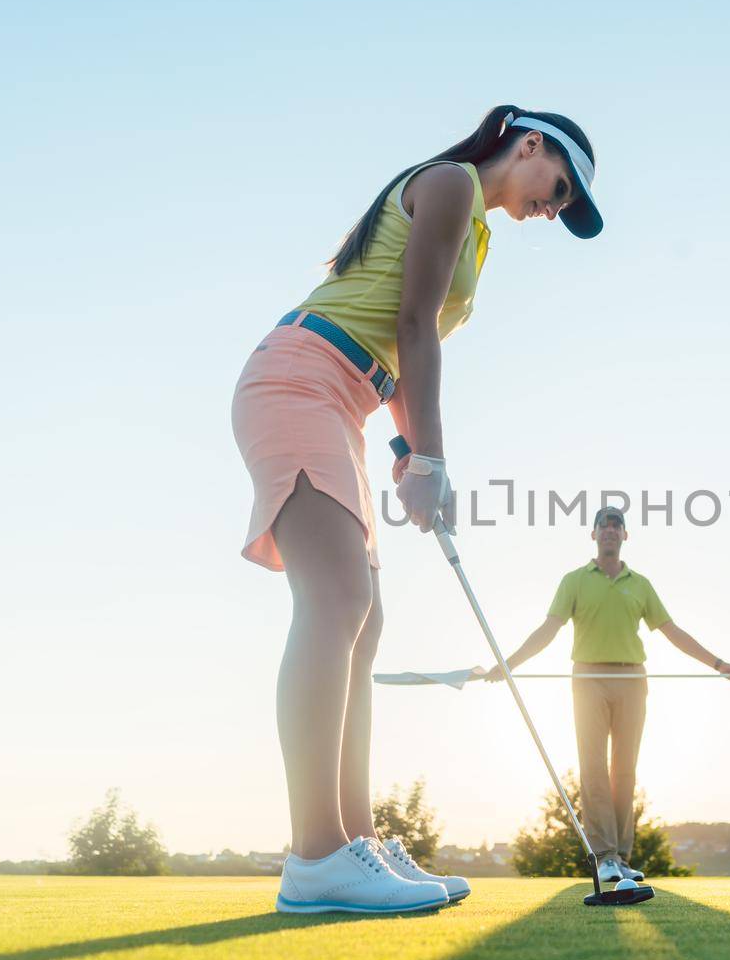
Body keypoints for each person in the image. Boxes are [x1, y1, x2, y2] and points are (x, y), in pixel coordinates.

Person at [231, 105, 603, 914]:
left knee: (365, 623)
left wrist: (409, 452)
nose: (554, 206)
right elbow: (413, 326)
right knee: (337, 602)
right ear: (528, 143)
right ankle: (316, 854)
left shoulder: (477, 230)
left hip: (347, 397)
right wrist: (431, 457)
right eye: (559, 186)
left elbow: (397, 352)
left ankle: (354, 843)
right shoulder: (449, 185)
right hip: (299, 379)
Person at [475, 506, 730, 884]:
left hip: (632, 679)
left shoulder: (640, 583)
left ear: (624, 536)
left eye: (616, 525)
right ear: (594, 534)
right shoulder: (574, 580)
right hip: (588, 677)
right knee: (593, 768)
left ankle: (622, 857)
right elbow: (547, 630)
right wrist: (508, 664)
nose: (609, 531)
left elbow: (672, 631)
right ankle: (604, 855)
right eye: (603, 525)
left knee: (625, 770)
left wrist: (718, 664)